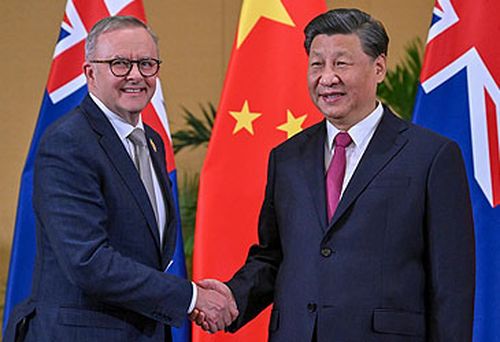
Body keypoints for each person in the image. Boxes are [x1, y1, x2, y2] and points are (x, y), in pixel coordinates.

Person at [194, 8, 475, 341]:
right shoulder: (287, 158)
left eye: (341, 63)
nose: (327, 78)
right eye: (317, 64)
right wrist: (234, 296)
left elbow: (452, 283)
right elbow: (275, 255)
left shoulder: (431, 156)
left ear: (379, 67)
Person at [4, 16, 236, 342]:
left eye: (146, 63)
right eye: (119, 64)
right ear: (89, 73)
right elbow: (88, 261)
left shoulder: (152, 142)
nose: (136, 75)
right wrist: (191, 297)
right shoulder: (68, 142)